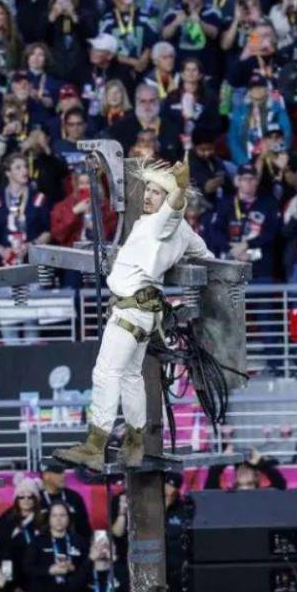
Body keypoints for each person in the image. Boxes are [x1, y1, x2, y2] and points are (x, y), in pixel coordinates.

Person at [55, 155, 212, 471]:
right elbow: (203, 252)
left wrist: (179, 190)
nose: (149, 196)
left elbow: (174, 209)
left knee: (106, 373)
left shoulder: (163, 222)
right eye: (148, 190)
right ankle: (135, 444)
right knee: (130, 376)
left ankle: (95, 446)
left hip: (129, 311)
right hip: (143, 312)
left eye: (157, 192)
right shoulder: (181, 231)